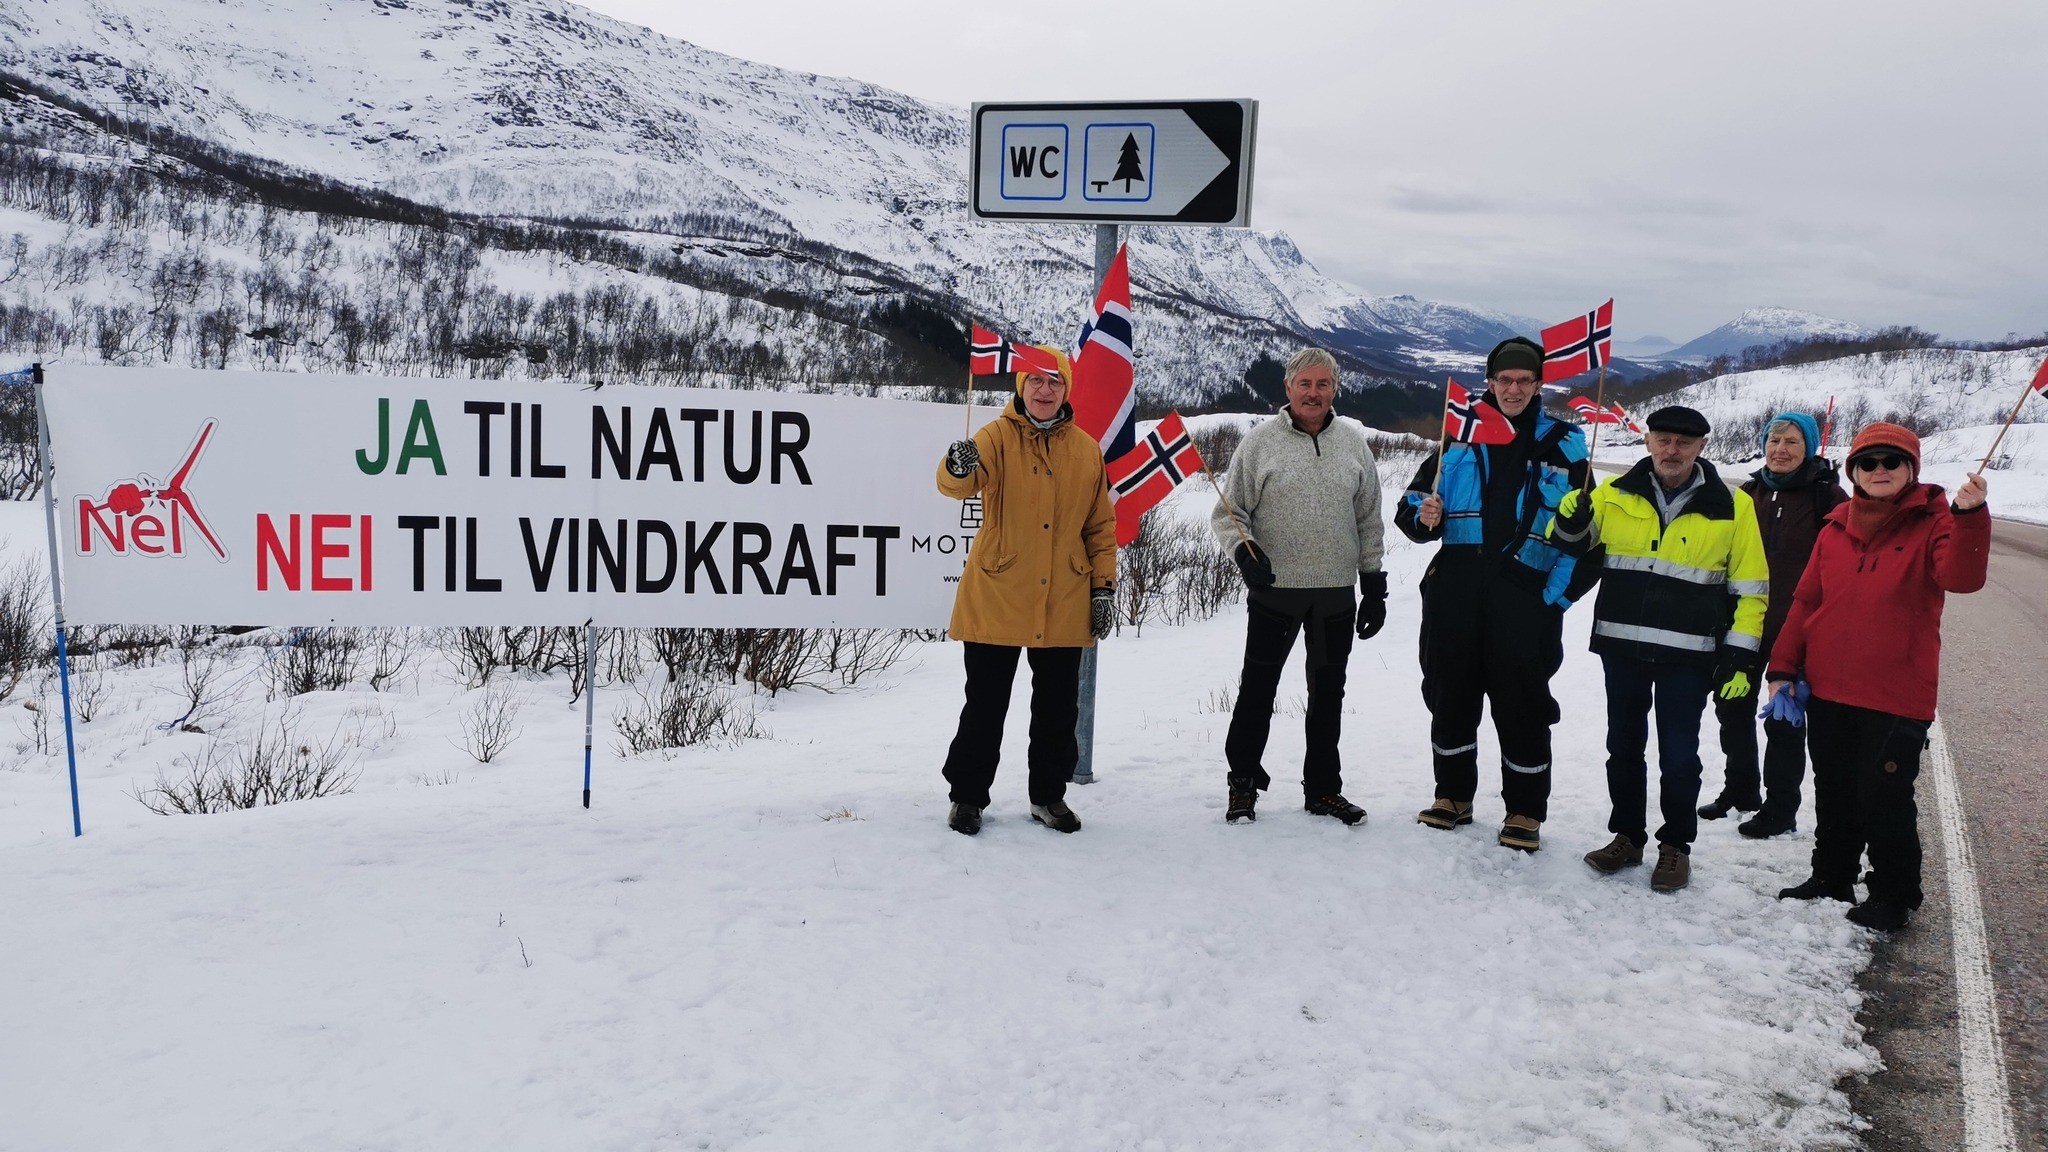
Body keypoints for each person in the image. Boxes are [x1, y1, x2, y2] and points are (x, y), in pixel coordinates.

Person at [1768, 423, 1989, 931]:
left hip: (1896, 695)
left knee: (1884, 796)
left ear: (1911, 469)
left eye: (1892, 461)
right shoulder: (1835, 528)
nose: (1880, 470)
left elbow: (1962, 577)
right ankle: (1832, 874)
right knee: (1835, 788)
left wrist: (1971, 517)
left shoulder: (1936, 523)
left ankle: (1893, 893)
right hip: (1828, 688)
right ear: (1854, 472)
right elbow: (1806, 603)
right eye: (1868, 463)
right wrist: (1783, 666)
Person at [1550, 406, 1768, 892]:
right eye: (1664, 439)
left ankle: (1675, 846)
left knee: (1679, 756)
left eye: (1684, 443)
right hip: (1623, 646)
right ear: (1647, 441)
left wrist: (1739, 655)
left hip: (1688, 656)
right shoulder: (1611, 493)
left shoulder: (1735, 505)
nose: (1673, 450)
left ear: (1701, 447)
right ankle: (1626, 837)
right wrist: (1570, 518)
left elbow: (1752, 589)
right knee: (1622, 750)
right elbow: (1572, 547)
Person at [1394, 336, 1591, 852]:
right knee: (1450, 691)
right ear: (1490, 382)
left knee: (1521, 701)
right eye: (1505, 380)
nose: (1514, 389)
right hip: (1457, 586)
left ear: (1540, 385)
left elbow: (1587, 540)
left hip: (1523, 593)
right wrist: (1423, 515)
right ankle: (1452, 796)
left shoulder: (1565, 443)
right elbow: (1411, 506)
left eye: (1525, 380)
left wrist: (1555, 598)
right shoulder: (1459, 436)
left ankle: (1525, 810)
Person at [935, 348, 1117, 836]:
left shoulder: (1086, 450)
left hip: (1064, 597)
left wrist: (1103, 588)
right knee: (986, 704)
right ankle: (968, 798)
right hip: (999, 589)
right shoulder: (994, 436)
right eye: (1035, 381)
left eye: (1055, 382)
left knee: (1058, 708)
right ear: (1021, 386)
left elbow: (1100, 527)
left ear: (1067, 390)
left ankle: (1049, 796)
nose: (1044, 390)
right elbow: (958, 485)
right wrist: (957, 463)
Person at [1211, 347, 1386, 825]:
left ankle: (1324, 790)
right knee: (1258, 691)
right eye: (1304, 384)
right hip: (1275, 592)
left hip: (1335, 594)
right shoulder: (1260, 444)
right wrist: (1245, 553)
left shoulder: (1353, 444)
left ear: (1334, 390)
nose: (1313, 393)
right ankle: (1242, 783)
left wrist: (1373, 583)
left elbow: (1368, 517)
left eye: (1323, 384)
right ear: (1288, 388)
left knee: (1329, 694)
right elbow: (1229, 513)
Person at [1696, 413, 1847, 836]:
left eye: (1792, 442)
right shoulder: (1747, 493)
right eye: (1774, 440)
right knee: (1732, 706)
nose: (1780, 449)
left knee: (1784, 718)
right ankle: (1741, 791)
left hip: (1798, 629)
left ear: (1810, 447)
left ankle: (1781, 808)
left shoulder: (1828, 499)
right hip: (1745, 623)